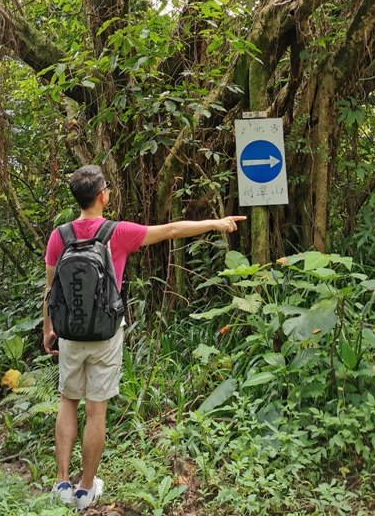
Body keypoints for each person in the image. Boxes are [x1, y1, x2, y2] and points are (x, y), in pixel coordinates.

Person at [43, 164, 246, 510]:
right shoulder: (116, 232)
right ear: (103, 195)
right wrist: (216, 223)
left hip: (70, 333)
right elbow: (169, 230)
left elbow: (50, 289)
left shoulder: (59, 236)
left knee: (67, 402)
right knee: (96, 410)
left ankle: (62, 483)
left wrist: (49, 328)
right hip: (106, 333)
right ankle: (85, 489)